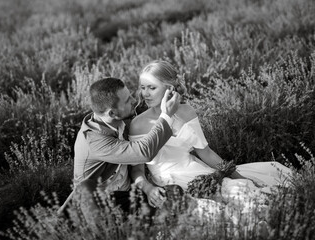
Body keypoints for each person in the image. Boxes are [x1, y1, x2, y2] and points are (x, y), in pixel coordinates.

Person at [129, 60, 292, 210]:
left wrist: (239, 177)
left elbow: (205, 152)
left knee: (245, 192)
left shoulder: (186, 111)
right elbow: (137, 169)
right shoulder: (137, 124)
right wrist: (148, 188)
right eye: (143, 87)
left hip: (197, 172)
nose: (145, 94)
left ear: (169, 88)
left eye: (152, 88)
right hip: (168, 183)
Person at [58, 77, 181, 226]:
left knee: (173, 192)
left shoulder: (123, 120)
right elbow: (144, 152)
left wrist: (148, 189)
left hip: (126, 198)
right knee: (85, 188)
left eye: (130, 95)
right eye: (128, 100)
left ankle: (143, 230)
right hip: (97, 207)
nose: (134, 100)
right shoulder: (93, 140)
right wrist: (166, 115)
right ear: (112, 113)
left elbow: (137, 168)